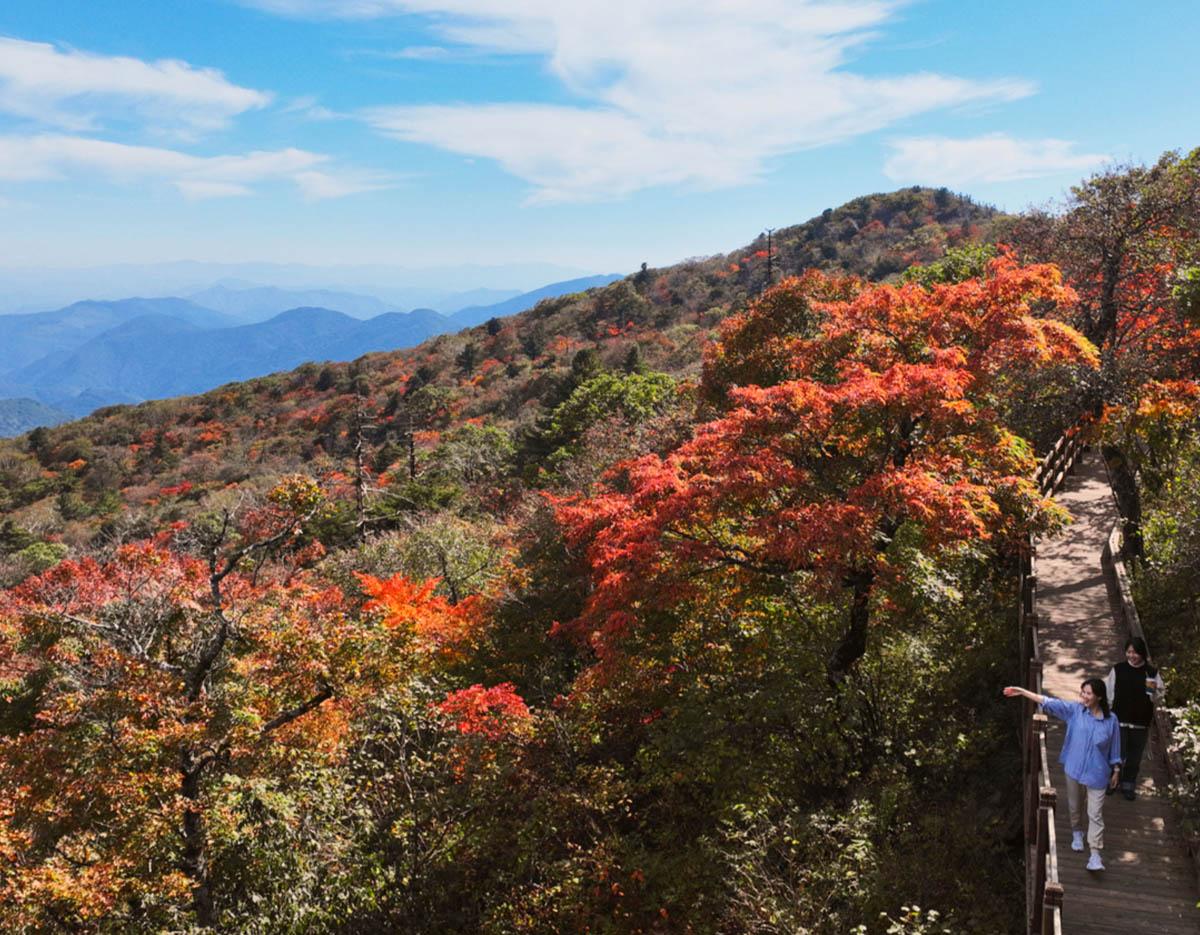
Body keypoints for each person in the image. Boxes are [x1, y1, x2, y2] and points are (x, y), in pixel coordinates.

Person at [1004, 680, 1121, 871]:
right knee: (1075, 806)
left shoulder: (1111, 720)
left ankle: (1095, 855)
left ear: (1099, 696)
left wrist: (1116, 769)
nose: (1083, 697)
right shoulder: (1075, 711)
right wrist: (1022, 691)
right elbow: (1048, 702)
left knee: (1095, 814)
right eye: (1082, 692)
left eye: (1088, 694)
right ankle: (1077, 832)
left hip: (1098, 774)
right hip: (1074, 769)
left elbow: (1115, 747)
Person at [1104, 636, 1165, 800]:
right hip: (1119, 719)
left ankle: (1128, 785)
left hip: (1141, 722)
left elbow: (1158, 695)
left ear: (1142, 653)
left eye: (1135, 652)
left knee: (1134, 756)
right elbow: (1109, 693)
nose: (1132, 655)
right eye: (1129, 652)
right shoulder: (1118, 669)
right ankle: (1112, 782)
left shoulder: (1151, 672)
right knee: (1117, 753)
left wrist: (1152, 691)